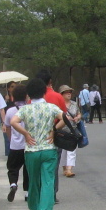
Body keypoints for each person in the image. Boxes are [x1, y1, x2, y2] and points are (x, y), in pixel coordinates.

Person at [10, 78, 64, 210]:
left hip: (31, 150)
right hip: (48, 148)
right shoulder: (51, 107)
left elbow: (13, 122)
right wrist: (54, 130)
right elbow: (65, 118)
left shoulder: (25, 109)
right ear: (44, 92)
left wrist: (26, 134)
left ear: (29, 94)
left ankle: (34, 206)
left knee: (33, 180)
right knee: (48, 180)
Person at [38, 70, 68, 201]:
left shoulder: (34, 99)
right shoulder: (57, 97)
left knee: (38, 166)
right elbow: (64, 117)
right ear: (50, 82)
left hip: (37, 135)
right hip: (54, 134)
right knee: (53, 165)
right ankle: (52, 193)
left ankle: (39, 193)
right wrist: (54, 129)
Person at [4, 85, 30, 203]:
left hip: (15, 146)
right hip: (28, 145)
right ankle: (28, 193)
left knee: (12, 168)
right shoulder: (30, 109)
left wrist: (11, 139)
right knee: (28, 169)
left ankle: (13, 184)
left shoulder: (10, 111)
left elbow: (8, 128)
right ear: (26, 96)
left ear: (13, 97)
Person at [58, 85, 82, 178]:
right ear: (61, 94)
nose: (69, 93)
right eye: (66, 92)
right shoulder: (58, 105)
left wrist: (78, 117)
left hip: (72, 130)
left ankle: (69, 169)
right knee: (63, 151)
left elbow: (79, 113)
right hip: (61, 131)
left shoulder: (74, 104)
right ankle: (65, 168)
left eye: (70, 92)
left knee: (71, 150)